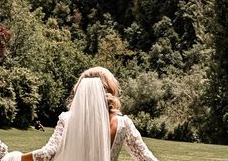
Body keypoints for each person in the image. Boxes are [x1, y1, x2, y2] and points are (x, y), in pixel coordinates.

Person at [10, 67, 158, 161]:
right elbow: (146, 158)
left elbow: (48, 153)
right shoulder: (122, 123)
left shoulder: (67, 120)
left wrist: (15, 158)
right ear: (110, 90)